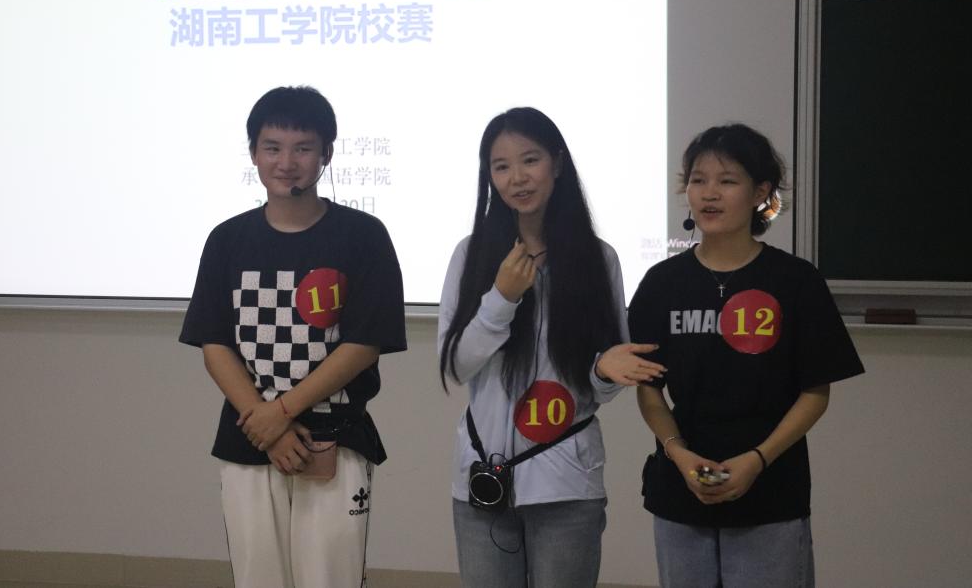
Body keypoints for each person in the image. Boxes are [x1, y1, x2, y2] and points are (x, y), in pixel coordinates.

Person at [179, 85, 407, 588]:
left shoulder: (363, 235)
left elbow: (363, 343)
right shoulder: (227, 239)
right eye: (273, 147)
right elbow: (214, 343)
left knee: (330, 578)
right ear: (253, 154)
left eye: (303, 148)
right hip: (250, 438)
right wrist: (267, 424)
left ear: (327, 153)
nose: (287, 162)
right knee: (258, 578)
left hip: (335, 437)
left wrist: (281, 413)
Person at [628, 123, 864, 587]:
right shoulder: (662, 282)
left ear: (760, 192)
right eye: (698, 180)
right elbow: (649, 389)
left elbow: (815, 391)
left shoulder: (795, 280)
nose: (709, 193)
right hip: (681, 487)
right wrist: (679, 455)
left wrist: (757, 459)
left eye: (727, 180)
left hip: (770, 490)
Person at [438, 106, 665, 588]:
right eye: (501, 166)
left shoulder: (598, 258)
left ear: (557, 164)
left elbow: (604, 385)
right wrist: (501, 299)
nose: (517, 178)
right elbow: (456, 366)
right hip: (485, 475)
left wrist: (603, 371)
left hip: (567, 482)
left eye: (530, 160)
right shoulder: (471, 254)